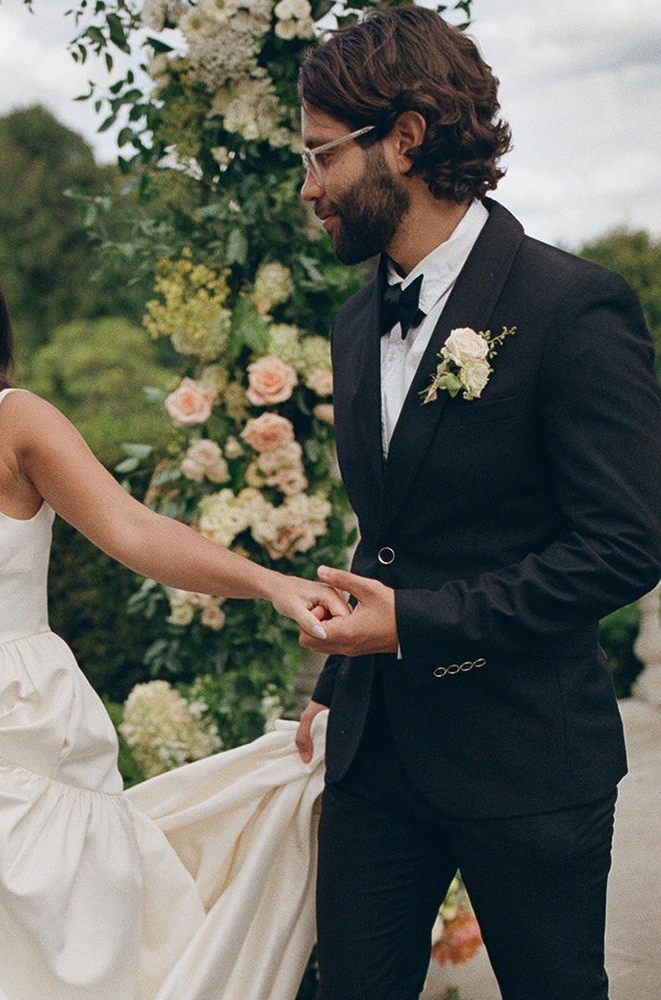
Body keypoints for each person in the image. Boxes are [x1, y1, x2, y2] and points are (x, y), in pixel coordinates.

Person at [0, 229, 347, 999]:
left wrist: (269, 582)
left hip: (23, 723)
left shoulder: (14, 423)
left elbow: (134, 530)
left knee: (70, 963)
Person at [290, 8, 661, 1000]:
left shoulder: (570, 306)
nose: (308, 188)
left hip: (528, 755)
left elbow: (625, 544)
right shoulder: (352, 318)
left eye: (320, 155)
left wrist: (415, 622)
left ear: (402, 140)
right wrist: (333, 689)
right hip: (377, 758)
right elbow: (397, 531)